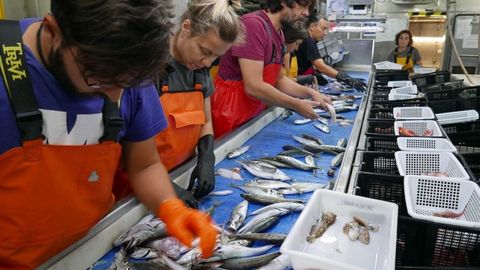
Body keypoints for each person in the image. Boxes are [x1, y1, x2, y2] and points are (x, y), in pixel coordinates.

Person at [0, 1, 217, 268]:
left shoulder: (128, 66)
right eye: (98, 78)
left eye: (127, 84)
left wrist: (168, 206)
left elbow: (144, 164)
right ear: (54, 30)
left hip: (92, 252)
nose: (114, 96)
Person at [155, 0, 243, 207]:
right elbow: (133, 149)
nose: (207, 63)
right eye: (204, 51)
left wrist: (206, 157)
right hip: (143, 189)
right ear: (186, 28)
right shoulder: (153, 70)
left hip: (180, 173)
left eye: (216, 57)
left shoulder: (200, 73)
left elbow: (205, 121)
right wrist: (166, 188)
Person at [211, 0, 332, 138]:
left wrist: (310, 93)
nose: (306, 13)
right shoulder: (253, 25)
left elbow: (279, 80)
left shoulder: (278, 33)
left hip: (250, 111)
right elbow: (253, 86)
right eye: (303, 6)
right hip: (229, 112)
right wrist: (296, 104)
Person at [296, 14, 367, 92]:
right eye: (323, 29)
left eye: (326, 30)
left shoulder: (310, 40)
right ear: (313, 27)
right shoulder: (308, 41)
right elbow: (321, 66)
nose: (325, 33)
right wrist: (347, 79)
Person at [282, 20, 317, 87]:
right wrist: (299, 80)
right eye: (296, 44)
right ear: (289, 39)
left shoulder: (291, 54)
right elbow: (282, 81)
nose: (297, 48)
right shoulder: (285, 55)